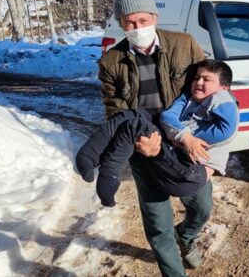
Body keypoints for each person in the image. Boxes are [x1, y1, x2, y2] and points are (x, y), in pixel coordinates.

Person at [98, 0, 208, 276]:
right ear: (121, 24)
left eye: (142, 20)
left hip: (184, 142)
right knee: (158, 224)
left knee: (201, 206)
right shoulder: (111, 61)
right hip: (144, 148)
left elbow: (209, 89)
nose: (137, 27)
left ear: (154, 17)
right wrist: (139, 142)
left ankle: (185, 237)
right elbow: (115, 111)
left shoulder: (185, 44)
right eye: (129, 23)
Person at [76, 60, 238, 209]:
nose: (199, 82)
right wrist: (185, 137)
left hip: (191, 173)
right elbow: (167, 117)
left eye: (206, 79)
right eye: (196, 78)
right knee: (135, 114)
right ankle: (89, 154)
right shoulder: (188, 97)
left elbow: (227, 129)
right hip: (176, 159)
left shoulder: (223, 99)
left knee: (135, 126)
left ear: (223, 88)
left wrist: (184, 138)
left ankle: (109, 174)